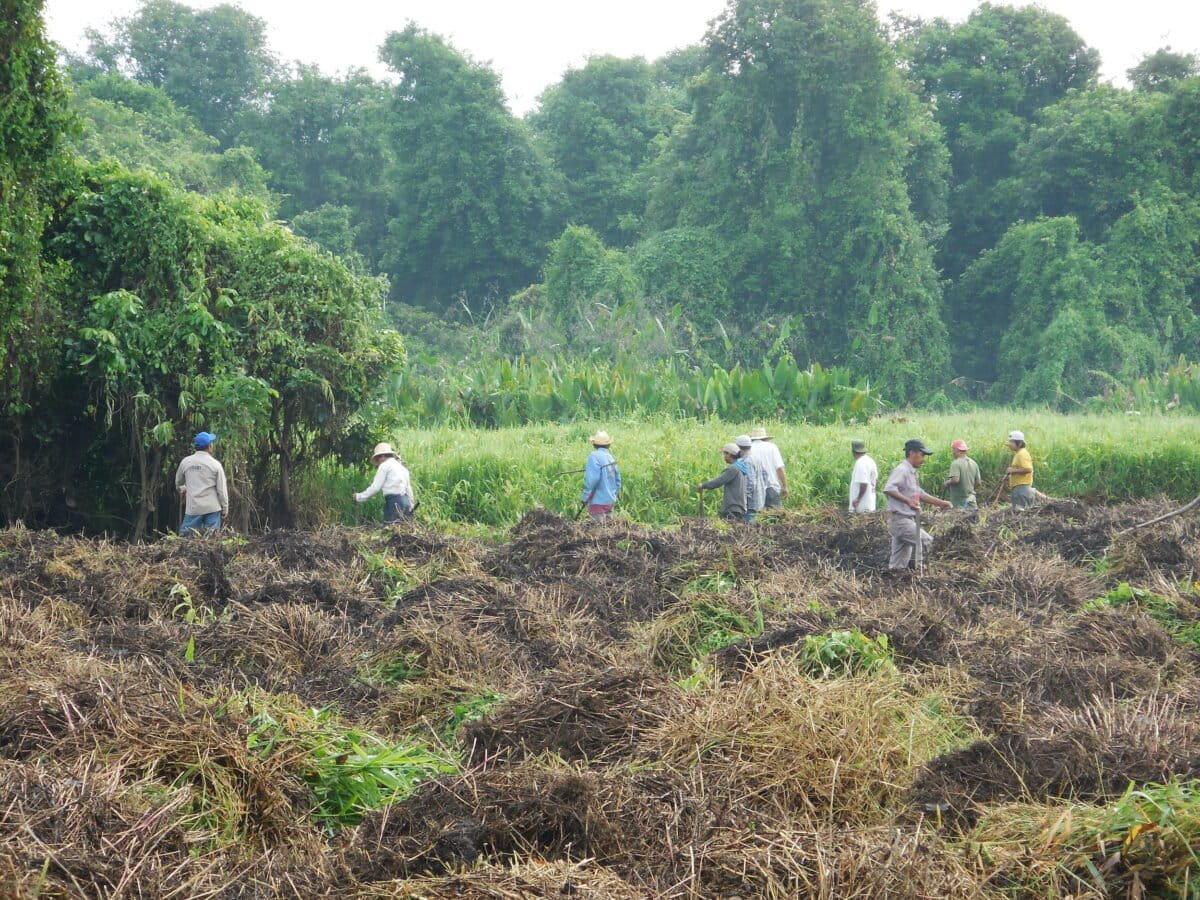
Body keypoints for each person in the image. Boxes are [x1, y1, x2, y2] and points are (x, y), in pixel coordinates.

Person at [883, 439, 952, 571]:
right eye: (922, 455)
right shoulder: (902, 470)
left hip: (906, 519)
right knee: (925, 541)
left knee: (898, 564)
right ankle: (919, 572)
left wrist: (941, 503)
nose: (923, 459)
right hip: (900, 520)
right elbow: (889, 488)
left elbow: (919, 494)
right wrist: (908, 501)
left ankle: (898, 578)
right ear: (912, 453)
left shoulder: (911, 472)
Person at [175, 432, 229, 536]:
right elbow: (221, 490)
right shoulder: (215, 464)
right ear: (209, 446)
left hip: (193, 508)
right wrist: (225, 508)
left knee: (186, 538)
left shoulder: (186, 462)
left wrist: (183, 489)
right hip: (212, 508)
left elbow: (178, 483)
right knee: (212, 539)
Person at [353, 442, 415, 523]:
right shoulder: (402, 468)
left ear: (382, 456)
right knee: (403, 529)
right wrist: (411, 506)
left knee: (391, 529)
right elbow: (409, 489)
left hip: (394, 503)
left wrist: (359, 497)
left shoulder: (384, 466)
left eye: (377, 458)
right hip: (406, 502)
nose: (378, 462)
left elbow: (375, 487)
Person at [698, 443, 748, 523]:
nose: (724, 457)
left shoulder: (733, 469)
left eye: (725, 454)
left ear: (730, 454)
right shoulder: (741, 467)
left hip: (732, 507)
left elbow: (718, 482)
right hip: (739, 507)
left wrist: (703, 485)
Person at [581, 430, 621, 522]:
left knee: (597, 528)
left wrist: (585, 497)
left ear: (594, 445)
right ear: (608, 445)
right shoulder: (610, 457)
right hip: (610, 501)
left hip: (598, 501)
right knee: (609, 528)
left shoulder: (593, 456)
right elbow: (618, 481)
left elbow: (592, 479)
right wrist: (614, 494)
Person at [750, 427, 788, 508]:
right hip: (771, 487)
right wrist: (784, 486)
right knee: (773, 514)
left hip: (754, 490)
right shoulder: (772, 447)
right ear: (765, 438)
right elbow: (779, 468)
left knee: (756, 514)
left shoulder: (749, 448)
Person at [943, 439, 982, 510]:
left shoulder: (956, 463)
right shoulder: (974, 463)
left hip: (959, 502)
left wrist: (947, 483)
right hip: (972, 499)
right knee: (973, 516)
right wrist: (970, 490)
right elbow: (978, 483)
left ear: (956, 450)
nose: (952, 452)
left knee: (959, 517)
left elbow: (955, 480)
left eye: (953, 450)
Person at [735, 434, 762, 522]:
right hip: (759, 498)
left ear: (739, 448)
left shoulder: (747, 461)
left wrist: (744, 499)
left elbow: (751, 483)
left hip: (750, 503)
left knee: (748, 527)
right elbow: (765, 475)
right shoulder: (756, 458)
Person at [1006, 431, 1035, 510]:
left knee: (1021, 513)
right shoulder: (1019, 453)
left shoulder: (1022, 454)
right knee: (1018, 513)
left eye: (1012, 442)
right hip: (1019, 489)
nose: (1009, 445)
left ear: (1019, 443)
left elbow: (1028, 469)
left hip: (1022, 489)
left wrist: (1012, 471)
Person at [848, 439, 878, 514]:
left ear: (853, 451)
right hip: (870, 504)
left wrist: (858, 499)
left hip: (862, 507)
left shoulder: (861, 463)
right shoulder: (871, 461)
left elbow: (864, 484)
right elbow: (875, 480)